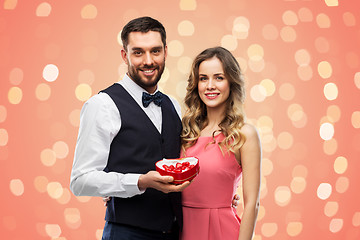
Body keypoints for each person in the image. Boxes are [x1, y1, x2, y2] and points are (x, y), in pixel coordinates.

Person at [70, 16, 190, 240]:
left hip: (175, 232)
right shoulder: (102, 105)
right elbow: (80, 181)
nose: (148, 60)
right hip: (126, 233)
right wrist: (139, 182)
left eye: (155, 51)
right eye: (138, 52)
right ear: (124, 55)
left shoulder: (173, 105)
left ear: (165, 51)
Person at [180, 47, 262, 240]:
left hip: (222, 231)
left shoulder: (245, 134)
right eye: (203, 78)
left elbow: (252, 203)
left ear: (231, 82)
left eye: (219, 78)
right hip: (180, 228)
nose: (210, 85)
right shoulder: (185, 130)